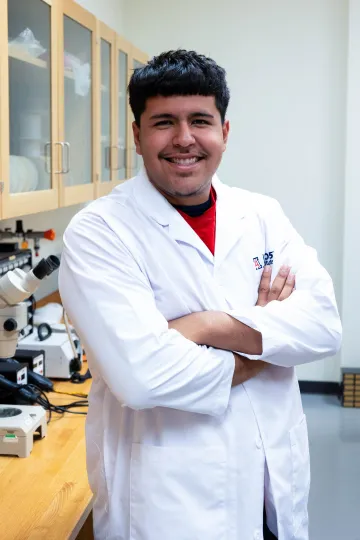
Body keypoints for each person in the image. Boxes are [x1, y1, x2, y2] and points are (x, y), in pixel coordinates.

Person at [59, 50, 342, 540]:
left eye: (200, 121)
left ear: (224, 134)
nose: (184, 139)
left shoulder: (261, 215)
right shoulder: (100, 231)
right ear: (137, 135)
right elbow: (143, 377)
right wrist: (269, 339)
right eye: (164, 122)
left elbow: (324, 326)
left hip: (272, 488)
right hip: (171, 505)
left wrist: (205, 326)